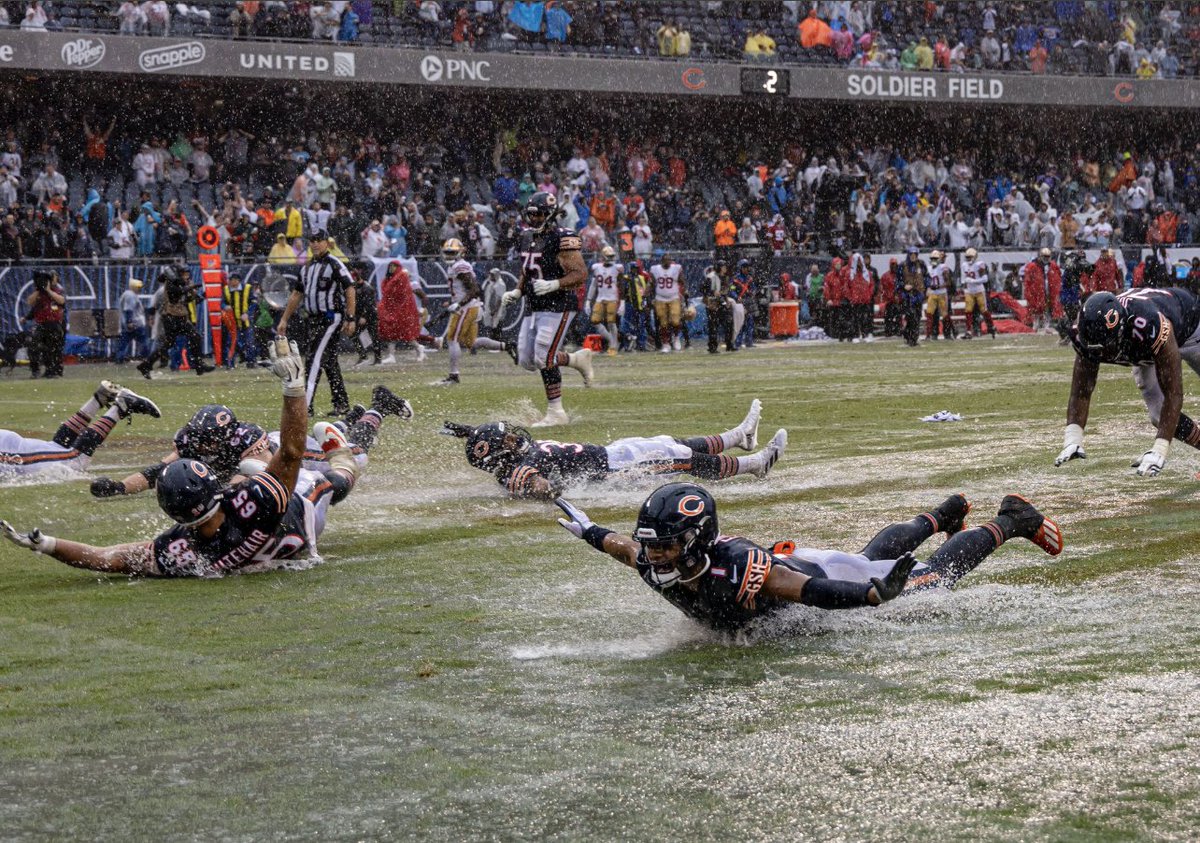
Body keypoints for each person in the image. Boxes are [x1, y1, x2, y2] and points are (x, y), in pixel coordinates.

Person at [2, 341, 365, 577]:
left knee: (291, 473)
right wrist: (293, 388)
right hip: (297, 521)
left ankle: (348, 440)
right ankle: (345, 452)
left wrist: (48, 544)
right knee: (334, 483)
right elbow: (290, 452)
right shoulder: (253, 501)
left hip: (268, 505)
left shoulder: (182, 551)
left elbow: (108, 557)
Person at [553, 484, 1063, 633]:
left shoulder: (739, 572)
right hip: (807, 563)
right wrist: (590, 531)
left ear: (696, 539)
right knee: (867, 556)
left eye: (664, 543)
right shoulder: (656, 559)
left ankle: (1011, 520)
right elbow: (622, 547)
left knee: (927, 581)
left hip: (813, 573)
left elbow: (808, 592)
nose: (652, 554)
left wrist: (870, 597)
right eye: (652, 543)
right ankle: (942, 514)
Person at [89, 385, 412, 498]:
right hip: (276, 450)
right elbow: (156, 472)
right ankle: (350, 416)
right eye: (199, 441)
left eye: (209, 442)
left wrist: (223, 492)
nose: (201, 449)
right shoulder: (191, 439)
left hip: (287, 454)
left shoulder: (247, 440)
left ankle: (376, 409)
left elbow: (270, 473)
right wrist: (119, 486)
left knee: (356, 456)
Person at [443, 400, 786, 500]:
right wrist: (547, 489)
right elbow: (533, 482)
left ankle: (738, 436)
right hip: (614, 470)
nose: (513, 439)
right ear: (501, 456)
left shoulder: (513, 457)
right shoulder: (522, 466)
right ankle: (754, 464)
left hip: (611, 453)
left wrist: (465, 431)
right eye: (505, 442)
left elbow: (491, 453)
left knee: (670, 444)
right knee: (680, 459)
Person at [1057, 287, 1200, 477]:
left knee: (1168, 404)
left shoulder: (1148, 325)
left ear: (1123, 329)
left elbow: (1173, 394)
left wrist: (1159, 449)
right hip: (1144, 347)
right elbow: (1081, 391)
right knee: (1159, 415)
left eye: (1106, 348)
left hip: (1191, 328)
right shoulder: (1088, 336)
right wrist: (1073, 438)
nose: (1102, 356)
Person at [500, 192, 595, 427]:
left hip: (559, 304)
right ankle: (576, 359)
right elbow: (527, 269)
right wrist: (518, 290)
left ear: (550, 214)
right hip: (534, 304)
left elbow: (580, 274)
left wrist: (555, 283)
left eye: (539, 213)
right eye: (531, 213)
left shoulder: (561, 237)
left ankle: (556, 412)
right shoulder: (526, 236)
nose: (534, 218)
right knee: (527, 360)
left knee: (544, 356)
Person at [0, 381, 160, 479]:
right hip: (6, 447)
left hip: (6, 453)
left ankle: (122, 406)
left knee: (72, 461)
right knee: (58, 449)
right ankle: (99, 399)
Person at [276, 232, 357, 417]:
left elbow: (349, 288)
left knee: (313, 359)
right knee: (328, 361)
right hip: (314, 319)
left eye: (318, 241)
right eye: (312, 241)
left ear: (326, 243)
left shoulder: (335, 264)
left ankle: (305, 405)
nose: (314, 244)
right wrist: (284, 319)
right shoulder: (307, 268)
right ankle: (341, 403)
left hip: (330, 318)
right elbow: (297, 294)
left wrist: (350, 317)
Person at [137, 266, 213, 378]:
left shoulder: (183, 284)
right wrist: (190, 287)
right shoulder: (172, 283)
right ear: (180, 274)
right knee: (192, 337)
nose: (186, 277)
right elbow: (175, 294)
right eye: (184, 274)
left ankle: (146, 364)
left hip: (179, 316)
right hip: (171, 317)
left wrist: (199, 296)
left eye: (188, 274)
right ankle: (198, 364)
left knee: (171, 343)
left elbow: (185, 300)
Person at [435, 240, 482, 386]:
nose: (449, 255)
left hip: (467, 307)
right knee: (469, 343)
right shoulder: (454, 266)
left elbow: (474, 290)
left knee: (452, 339)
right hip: (465, 306)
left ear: (460, 252)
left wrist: (459, 304)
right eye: (447, 252)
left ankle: (454, 375)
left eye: (452, 252)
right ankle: (505, 346)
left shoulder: (460, 266)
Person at [26, 269, 66, 379]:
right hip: (41, 324)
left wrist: (48, 290)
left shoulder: (58, 289)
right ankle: (35, 370)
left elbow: (62, 300)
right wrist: (39, 289)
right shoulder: (38, 292)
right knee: (33, 345)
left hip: (54, 323)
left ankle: (53, 371)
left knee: (53, 348)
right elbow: (29, 301)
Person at [587, 246, 622, 355]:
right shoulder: (596, 267)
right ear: (603, 256)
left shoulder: (617, 268)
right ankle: (612, 341)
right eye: (609, 256)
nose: (611, 258)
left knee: (611, 322)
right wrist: (588, 300)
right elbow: (593, 285)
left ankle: (613, 346)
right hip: (600, 298)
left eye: (612, 256)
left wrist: (623, 303)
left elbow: (622, 286)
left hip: (612, 298)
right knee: (595, 321)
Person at [350, 259, 382, 370]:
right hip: (361, 315)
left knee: (374, 336)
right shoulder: (355, 287)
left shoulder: (366, 288)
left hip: (370, 315)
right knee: (353, 334)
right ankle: (363, 355)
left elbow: (369, 304)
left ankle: (377, 358)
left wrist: (364, 316)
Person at [222, 272, 258, 369]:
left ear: (237, 280)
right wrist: (225, 306)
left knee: (249, 342)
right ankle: (230, 363)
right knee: (231, 342)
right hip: (232, 322)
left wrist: (248, 313)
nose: (230, 282)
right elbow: (222, 302)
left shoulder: (247, 288)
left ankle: (251, 362)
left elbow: (254, 302)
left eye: (232, 280)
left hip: (245, 320)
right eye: (229, 280)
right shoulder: (226, 289)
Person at [650, 252, 684, 353]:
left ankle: (676, 337)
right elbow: (651, 283)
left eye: (669, 260)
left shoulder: (676, 268)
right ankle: (666, 343)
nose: (668, 262)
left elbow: (682, 281)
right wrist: (648, 296)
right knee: (663, 323)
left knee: (675, 320)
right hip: (660, 298)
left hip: (673, 297)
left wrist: (684, 293)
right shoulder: (655, 269)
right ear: (662, 261)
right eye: (666, 260)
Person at [960, 247, 996, 339]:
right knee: (968, 311)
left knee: (984, 310)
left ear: (975, 256)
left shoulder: (980, 264)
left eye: (970, 257)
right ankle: (968, 331)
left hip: (979, 290)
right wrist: (964, 286)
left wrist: (972, 281)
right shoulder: (964, 265)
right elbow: (964, 279)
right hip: (969, 291)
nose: (968, 259)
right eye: (967, 257)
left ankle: (991, 326)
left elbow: (985, 279)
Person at [115, 277, 149, 364]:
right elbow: (128, 309)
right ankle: (146, 359)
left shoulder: (129, 294)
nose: (139, 289)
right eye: (138, 287)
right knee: (143, 343)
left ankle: (119, 360)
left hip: (131, 324)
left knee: (123, 344)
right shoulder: (130, 295)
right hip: (135, 324)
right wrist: (129, 322)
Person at [924, 250, 952, 340]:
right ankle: (928, 335)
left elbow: (948, 282)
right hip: (932, 293)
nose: (933, 260)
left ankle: (947, 334)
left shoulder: (943, 267)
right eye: (932, 258)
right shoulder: (928, 268)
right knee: (929, 314)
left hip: (942, 293)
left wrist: (938, 286)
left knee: (945, 315)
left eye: (935, 258)